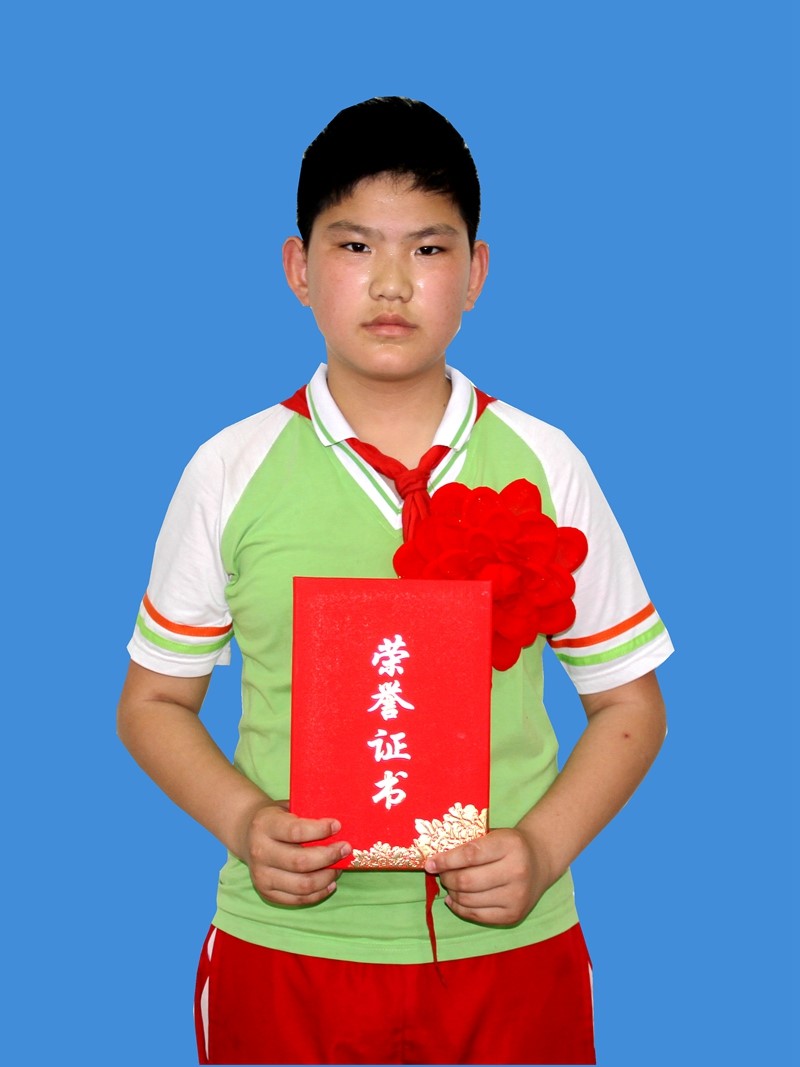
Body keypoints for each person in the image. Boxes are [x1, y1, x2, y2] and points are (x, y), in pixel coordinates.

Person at [118, 96, 673, 1066]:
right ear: (298, 268)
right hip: (287, 945)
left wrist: (542, 848)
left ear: (476, 271)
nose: (389, 282)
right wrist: (245, 822)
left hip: (507, 945)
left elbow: (630, 701)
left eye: (427, 248)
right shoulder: (229, 468)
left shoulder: (546, 463)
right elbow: (152, 701)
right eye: (352, 246)